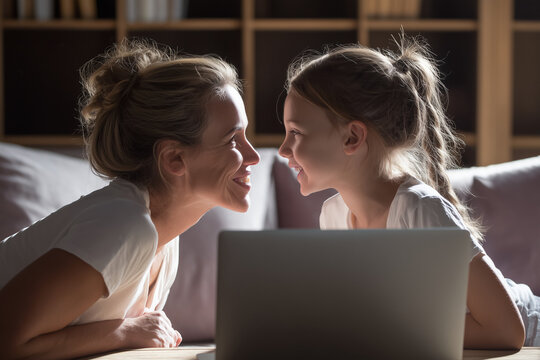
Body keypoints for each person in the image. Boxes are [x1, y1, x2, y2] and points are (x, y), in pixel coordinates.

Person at [0, 40, 260, 359]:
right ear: (174, 158)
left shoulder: (163, 241)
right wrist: (125, 331)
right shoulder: (124, 225)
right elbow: (7, 343)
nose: (253, 156)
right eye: (232, 139)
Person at [278, 35, 540, 349]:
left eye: (295, 132)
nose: (283, 150)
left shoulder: (419, 209)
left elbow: (507, 331)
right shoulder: (332, 215)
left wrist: (381, 331)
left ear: (352, 138)